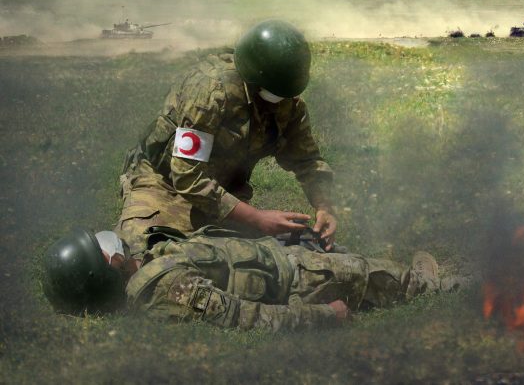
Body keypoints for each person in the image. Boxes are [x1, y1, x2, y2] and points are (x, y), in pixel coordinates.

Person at [116, 20, 339, 254]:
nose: (282, 100)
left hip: (222, 194)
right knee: (144, 255)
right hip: (162, 184)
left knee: (250, 266)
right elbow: (186, 175)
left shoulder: (287, 104)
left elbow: (307, 161)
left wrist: (324, 206)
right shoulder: (210, 92)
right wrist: (255, 218)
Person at [41, 226, 449, 331]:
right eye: (101, 249)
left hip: (282, 258)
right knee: (378, 275)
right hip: (300, 282)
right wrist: (324, 316)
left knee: (356, 261)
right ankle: (434, 286)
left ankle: (412, 281)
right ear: (106, 269)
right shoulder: (164, 289)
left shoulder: (145, 264)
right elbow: (243, 317)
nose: (109, 243)